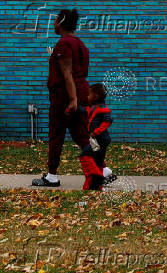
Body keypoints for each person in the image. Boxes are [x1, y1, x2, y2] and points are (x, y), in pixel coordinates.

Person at [32, 9, 104, 190]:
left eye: (55, 20)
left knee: (56, 134)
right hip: (82, 92)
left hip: (64, 95)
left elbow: (67, 74)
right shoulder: (81, 45)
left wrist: (72, 100)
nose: (53, 24)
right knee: (81, 134)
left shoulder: (64, 44)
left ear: (61, 22)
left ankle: (51, 176)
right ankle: (104, 170)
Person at [84, 84, 117, 186]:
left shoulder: (102, 108)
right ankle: (106, 173)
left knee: (97, 158)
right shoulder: (93, 107)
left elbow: (108, 120)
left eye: (89, 94)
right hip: (95, 139)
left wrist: (96, 131)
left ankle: (102, 176)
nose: (87, 96)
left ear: (96, 96)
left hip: (101, 138)